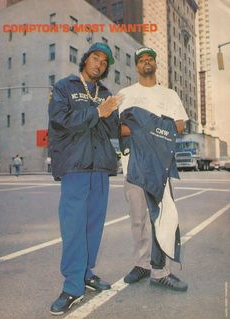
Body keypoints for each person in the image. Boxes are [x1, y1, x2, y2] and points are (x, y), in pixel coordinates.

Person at [48, 42, 122, 315]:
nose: (99, 64)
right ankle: (71, 285)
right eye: (96, 58)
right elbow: (58, 121)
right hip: (75, 167)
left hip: (100, 167)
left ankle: (86, 273)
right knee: (73, 228)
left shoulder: (106, 93)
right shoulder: (65, 87)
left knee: (94, 227)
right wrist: (97, 112)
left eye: (104, 62)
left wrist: (115, 113)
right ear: (85, 59)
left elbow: (112, 130)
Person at [118, 47, 189, 291]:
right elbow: (119, 129)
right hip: (133, 164)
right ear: (136, 66)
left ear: (155, 64)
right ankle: (141, 265)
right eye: (141, 60)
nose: (146, 62)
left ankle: (160, 271)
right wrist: (154, 126)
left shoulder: (169, 94)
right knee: (137, 220)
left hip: (161, 166)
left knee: (161, 218)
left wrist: (143, 126)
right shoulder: (125, 94)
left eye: (150, 59)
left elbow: (178, 126)